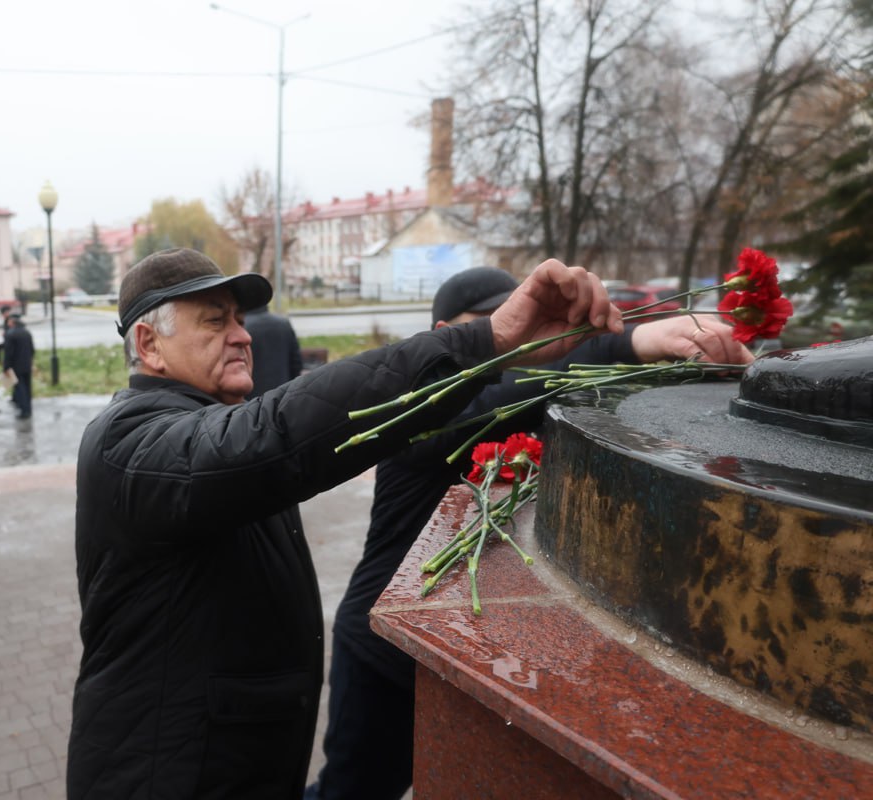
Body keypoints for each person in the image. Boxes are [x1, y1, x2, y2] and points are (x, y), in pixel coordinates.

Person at [67, 248, 623, 798]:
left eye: (238, 318)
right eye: (215, 321)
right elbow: (281, 432)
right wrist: (485, 342)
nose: (243, 335)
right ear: (148, 345)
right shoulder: (131, 442)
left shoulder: (206, 424)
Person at [304, 266, 755, 800]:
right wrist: (629, 343)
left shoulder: (521, 398)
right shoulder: (424, 409)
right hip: (381, 644)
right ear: (450, 331)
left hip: (456, 645)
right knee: (351, 791)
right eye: (494, 322)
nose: (516, 333)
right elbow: (501, 400)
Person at [244, 303, 304, 397]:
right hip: (281, 396)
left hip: (251, 400)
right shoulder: (284, 324)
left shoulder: (242, 327)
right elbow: (296, 364)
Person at [2, 313, 34, 420]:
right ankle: (29, 409)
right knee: (27, 387)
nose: (8, 323)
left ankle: (24, 411)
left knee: (20, 388)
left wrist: (6, 367)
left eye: (9, 321)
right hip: (27, 364)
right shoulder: (26, 332)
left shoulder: (10, 334)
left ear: (13, 322)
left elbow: (8, 353)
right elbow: (32, 349)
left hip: (16, 366)